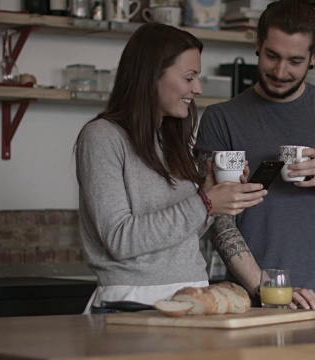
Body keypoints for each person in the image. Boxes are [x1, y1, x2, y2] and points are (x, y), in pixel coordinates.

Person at [194, 0, 315, 307]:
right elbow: (218, 221)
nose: (280, 71)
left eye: (294, 61)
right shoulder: (221, 119)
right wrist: (268, 291)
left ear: (314, 57)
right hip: (261, 305)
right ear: (258, 43)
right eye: (272, 56)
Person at [75, 23, 267, 314]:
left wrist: (209, 193)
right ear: (153, 76)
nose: (198, 89)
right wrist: (206, 203)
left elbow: (180, 235)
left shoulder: (170, 139)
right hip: (131, 304)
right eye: (189, 77)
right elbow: (120, 239)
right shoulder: (102, 137)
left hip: (194, 296)